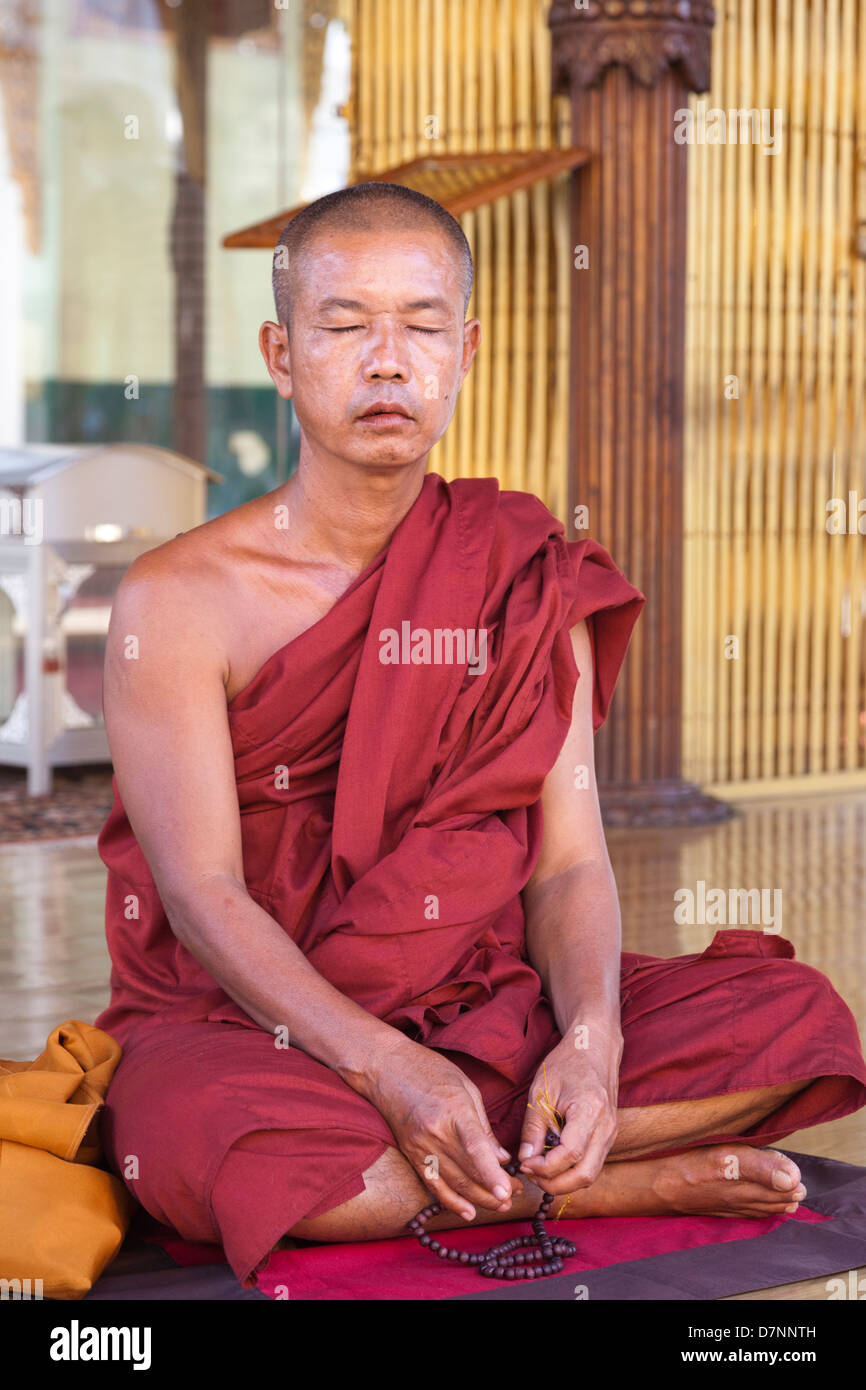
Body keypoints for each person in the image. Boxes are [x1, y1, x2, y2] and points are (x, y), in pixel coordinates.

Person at [95, 182, 866, 1290]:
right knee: (204, 1131)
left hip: (480, 998)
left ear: (465, 350)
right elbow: (203, 896)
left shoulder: (517, 567)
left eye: (419, 324)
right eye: (344, 323)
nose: (385, 360)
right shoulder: (179, 598)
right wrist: (388, 1065)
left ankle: (506, 1142)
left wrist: (589, 1040)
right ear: (280, 352)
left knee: (794, 1016)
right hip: (252, 1022)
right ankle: (606, 1178)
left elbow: (565, 862)